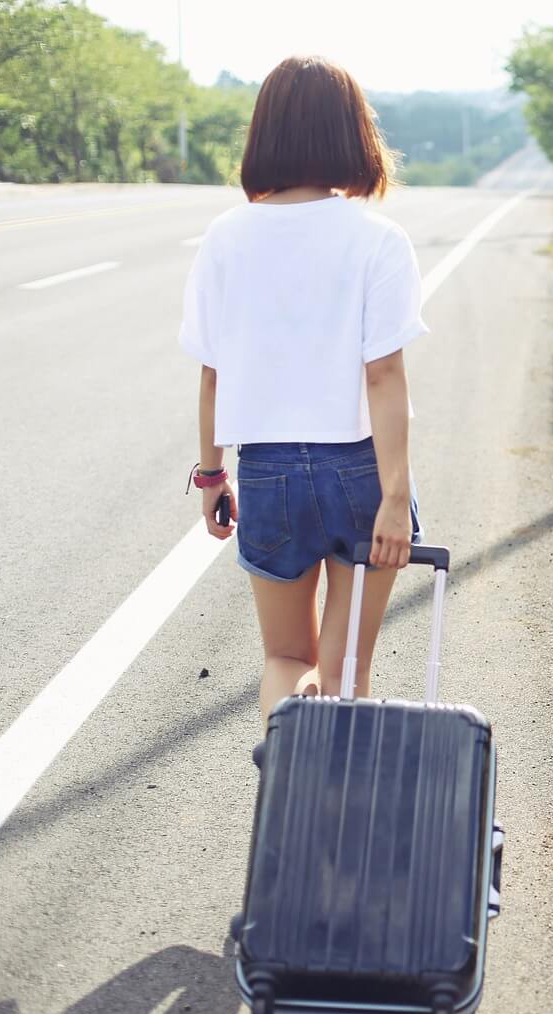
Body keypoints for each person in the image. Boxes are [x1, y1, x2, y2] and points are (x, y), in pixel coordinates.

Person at [179, 55, 428, 724]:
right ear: (353, 133)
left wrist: (211, 478)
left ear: (266, 134)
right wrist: (396, 499)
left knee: (287, 658)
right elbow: (384, 376)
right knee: (349, 668)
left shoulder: (226, 237)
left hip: (267, 472)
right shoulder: (379, 240)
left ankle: (287, 787)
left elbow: (211, 372)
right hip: (358, 469)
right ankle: (336, 813)